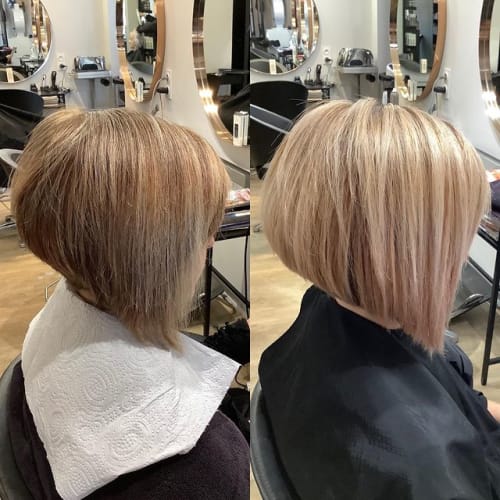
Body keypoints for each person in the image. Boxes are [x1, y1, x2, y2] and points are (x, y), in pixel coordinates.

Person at [258, 98, 500, 499]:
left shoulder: (322, 306)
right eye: (459, 233)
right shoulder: (424, 470)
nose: (461, 252)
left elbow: (461, 406)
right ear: (409, 250)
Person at [7, 108, 249, 499]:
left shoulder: (54, 321)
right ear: (153, 258)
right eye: (203, 229)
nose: (210, 242)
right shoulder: (202, 469)